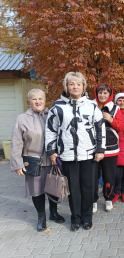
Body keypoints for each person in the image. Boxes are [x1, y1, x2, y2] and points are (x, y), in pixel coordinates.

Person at [45, 72, 105, 231]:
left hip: (89, 155)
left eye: (78, 84)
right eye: (71, 84)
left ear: (84, 86)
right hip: (67, 156)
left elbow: (100, 129)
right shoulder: (57, 106)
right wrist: (51, 150)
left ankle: (87, 218)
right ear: (66, 86)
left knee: (88, 188)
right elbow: (50, 130)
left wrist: (100, 149)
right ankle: (75, 219)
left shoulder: (92, 106)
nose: (75, 87)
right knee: (73, 190)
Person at [10, 89, 65, 232]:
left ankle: (54, 213)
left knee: (53, 187)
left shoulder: (52, 115)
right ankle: (42, 216)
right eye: (34, 99)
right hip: (33, 162)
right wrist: (17, 164)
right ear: (29, 102)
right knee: (36, 191)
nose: (38, 101)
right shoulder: (22, 118)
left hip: (52, 160)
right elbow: (16, 143)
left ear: (45, 100)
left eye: (40, 98)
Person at [93, 83, 124, 212]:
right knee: (92, 177)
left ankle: (108, 199)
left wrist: (111, 120)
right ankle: (93, 200)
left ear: (109, 95)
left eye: (105, 93)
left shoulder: (115, 108)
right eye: (100, 92)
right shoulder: (90, 106)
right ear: (96, 93)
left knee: (109, 176)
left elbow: (122, 127)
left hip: (110, 149)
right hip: (92, 149)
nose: (102, 95)